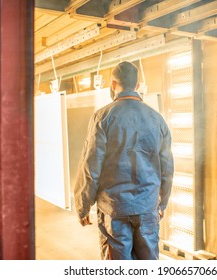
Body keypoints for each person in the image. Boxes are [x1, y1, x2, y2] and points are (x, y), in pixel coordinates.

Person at [74, 61, 174, 260]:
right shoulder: (157, 119)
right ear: (137, 86)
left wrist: (82, 205)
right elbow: (167, 167)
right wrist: (161, 204)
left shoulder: (102, 117)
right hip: (147, 207)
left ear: (113, 84)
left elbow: (90, 166)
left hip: (114, 210)